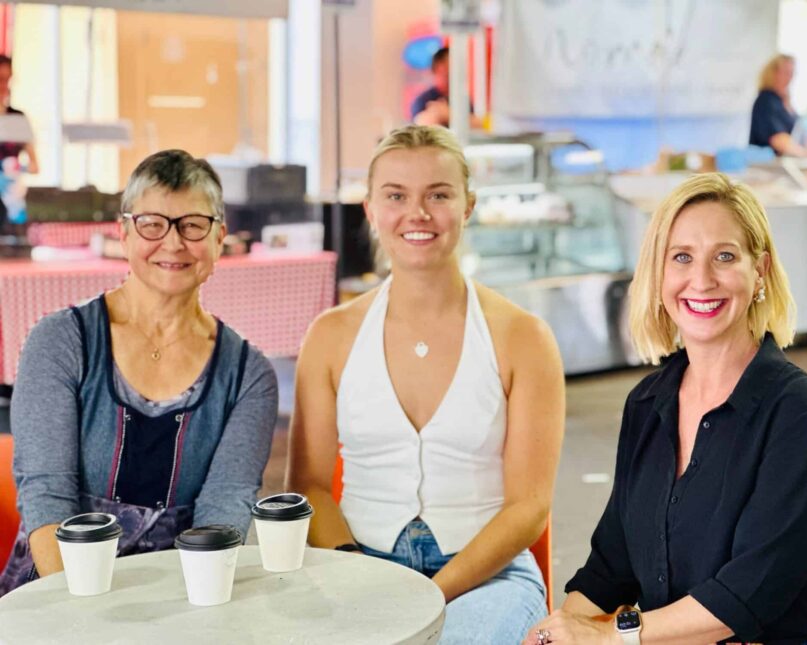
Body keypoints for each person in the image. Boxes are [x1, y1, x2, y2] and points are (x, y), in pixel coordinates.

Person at [525, 173, 807, 644]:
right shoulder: (647, 403)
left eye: (725, 256)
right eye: (681, 257)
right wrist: (554, 633)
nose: (701, 280)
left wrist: (610, 637)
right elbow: (612, 564)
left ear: (759, 271)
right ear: (659, 273)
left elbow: (744, 599)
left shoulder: (805, 416)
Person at [287, 124, 565, 643]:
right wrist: (355, 575)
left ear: (468, 206)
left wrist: (430, 593)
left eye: (438, 195)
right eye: (396, 196)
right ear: (370, 209)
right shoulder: (330, 336)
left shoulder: (524, 338)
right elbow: (309, 485)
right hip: (358, 568)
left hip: (488, 577)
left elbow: (529, 507)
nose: (417, 214)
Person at [0, 149, 278, 596]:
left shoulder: (249, 375)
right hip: (56, 592)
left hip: (185, 593)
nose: (172, 243)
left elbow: (225, 509)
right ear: (124, 233)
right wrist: (88, 618)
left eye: (193, 225)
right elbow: (47, 494)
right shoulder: (60, 342)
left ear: (219, 238)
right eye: (152, 223)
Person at [0, 54, 38, 233]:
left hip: (13, 196)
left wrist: (16, 168)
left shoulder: (19, 119)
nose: (4, 86)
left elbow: (34, 166)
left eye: (8, 80)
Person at [749, 53, 807, 157]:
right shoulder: (766, 101)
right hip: (769, 164)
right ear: (773, 74)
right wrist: (806, 154)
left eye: (792, 73)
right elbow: (778, 139)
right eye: (786, 73)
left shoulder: (784, 101)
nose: (789, 78)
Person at [411, 46, 482, 129]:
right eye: (449, 64)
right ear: (438, 67)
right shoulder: (423, 100)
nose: (455, 69)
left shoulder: (462, 99)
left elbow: (478, 125)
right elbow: (422, 126)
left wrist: (447, 114)